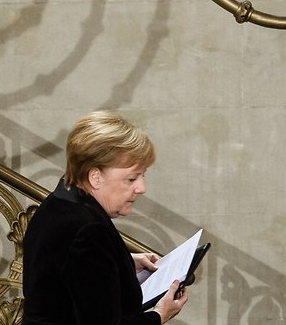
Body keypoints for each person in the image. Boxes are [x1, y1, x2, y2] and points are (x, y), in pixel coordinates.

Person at [23, 110, 188, 324]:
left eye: (142, 176)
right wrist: (159, 315)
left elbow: (66, 272)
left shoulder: (58, 203)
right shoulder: (87, 229)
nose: (141, 188)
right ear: (96, 177)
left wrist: (121, 263)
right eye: (131, 179)